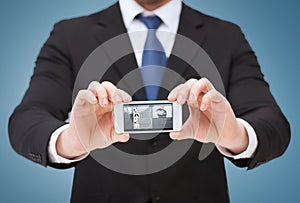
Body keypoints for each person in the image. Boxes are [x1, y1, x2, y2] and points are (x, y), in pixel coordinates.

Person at [8, 0, 290, 202]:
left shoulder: (226, 35)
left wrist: (234, 134)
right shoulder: (69, 34)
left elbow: (272, 122)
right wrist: (72, 140)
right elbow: (27, 118)